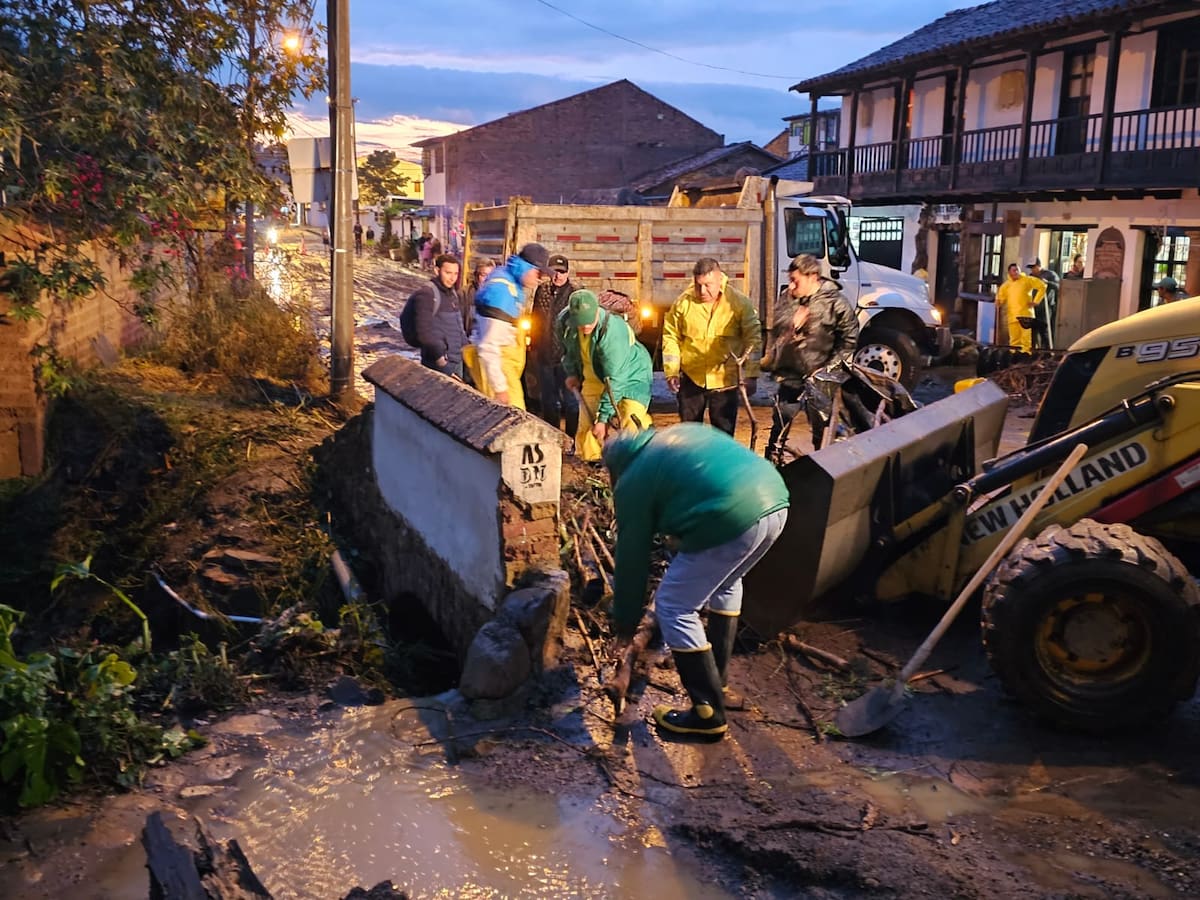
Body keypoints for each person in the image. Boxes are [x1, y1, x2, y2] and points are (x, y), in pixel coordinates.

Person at [603, 424, 789, 739]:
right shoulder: (677, 436)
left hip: (732, 516)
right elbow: (698, 490)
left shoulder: (633, 478)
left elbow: (631, 559)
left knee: (674, 605)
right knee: (726, 584)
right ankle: (720, 683)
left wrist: (624, 624)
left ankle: (707, 713)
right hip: (775, 502)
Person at [761, 254, 859, 458]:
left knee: (822, 429)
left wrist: (827, 372)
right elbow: (776, 327)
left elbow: (849, 341)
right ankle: (772, 462)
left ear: (813, 277)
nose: (791, 285)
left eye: (795, 280)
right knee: (780, 421)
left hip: (821, 379)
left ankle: (825, 466)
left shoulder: (836, 303)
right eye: (790, 279)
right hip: (791, 375)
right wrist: (793, 324)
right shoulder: (788, 299)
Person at [661, 258, 761, 435]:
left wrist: (752, 375)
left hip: (725, 383)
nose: (702, 291)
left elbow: (753, 340)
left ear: (719, 279)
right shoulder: (683, 303)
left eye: (708, 285)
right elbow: (670, 337)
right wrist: (672, 372)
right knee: (689, 436)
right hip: (691, 379)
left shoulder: (738, 303)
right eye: (698, 285)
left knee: (723, 436)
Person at [561, 290, 652, 461]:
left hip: (631, 375)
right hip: (594, 373)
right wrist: (572, 373)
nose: (585, 327)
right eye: (580, 323)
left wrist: (602, 419)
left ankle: (638, 459)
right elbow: (568, 350)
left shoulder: (613, 333)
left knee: (631, 419)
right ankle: (591, 466)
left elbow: (615, 381)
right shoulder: (565, 322)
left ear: (597, 311)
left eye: (589, 322)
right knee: (587, 429)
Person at [463, 243, 553, 408]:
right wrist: (500, 388)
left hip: (504, 367)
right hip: (498, 368)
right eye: (538, 273)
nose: (540, 278)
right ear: (526, 267)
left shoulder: (510, 281)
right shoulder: (502, 294)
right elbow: (488, 346)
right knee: (511, 422)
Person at [528, 253, 579, 440]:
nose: (558, 276)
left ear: (568, 273)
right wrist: (533, 346)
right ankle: (553, 438)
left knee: (571, 402)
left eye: (562, 272)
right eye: (554, 271)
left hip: (566, 359)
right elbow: (535, 319)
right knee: (548, 401)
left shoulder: (575, 294)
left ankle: (572, 439)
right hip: (544, 354)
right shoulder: (541, 291)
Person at [407, 253, 467, 378]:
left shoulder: (452, 294)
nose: (452, 278)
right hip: (438, 364)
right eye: (448, 273)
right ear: (437, 270)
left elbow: (458, 326)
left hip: (456, 361)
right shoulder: (427, 294)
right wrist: (441, 362)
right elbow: (424, 332)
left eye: (456, 274)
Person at [994, 262, 1045, 353]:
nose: (1016, 272)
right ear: (1009, 273)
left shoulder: (1027, 280)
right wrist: (998, 302)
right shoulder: (1006, 285)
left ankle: (1026, 358)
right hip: (1012, 316)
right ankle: (1014, 358)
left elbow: (1042, 286)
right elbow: (1000, 298)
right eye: (1014, 270)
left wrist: (1036, 301)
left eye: (1017, 269)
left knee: (1026, 341)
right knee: (1014, 340)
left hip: (1025, 315)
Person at [1026, 258, 1059, 348]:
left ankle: (1047, 351)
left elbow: (1058, 286)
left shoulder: (1050, 274)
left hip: (1046, 307)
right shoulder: (1031, 277)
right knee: (1033, 331)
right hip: (1034, 307)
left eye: (1034, 267)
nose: (1032, 270)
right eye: (1031, 268)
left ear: (1039, 266)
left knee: (1045, 330)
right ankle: (1033, 351)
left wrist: (1048, 283)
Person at [463, 256, 497, 337]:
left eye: (490, 276)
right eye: (484, 275)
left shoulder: (497, 297)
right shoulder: (464, 294)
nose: (487, 280)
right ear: (476, 276)